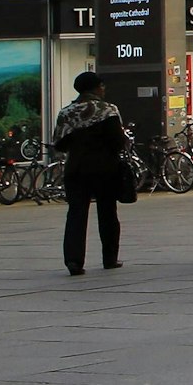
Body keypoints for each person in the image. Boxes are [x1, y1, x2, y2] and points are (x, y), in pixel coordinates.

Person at [52, 70, 126, 276]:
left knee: (76, 213)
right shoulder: (109, 110)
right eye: (102, 86)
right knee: (108, 213)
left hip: (76, 168)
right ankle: (109, 258)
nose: (104, 89)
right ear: (96, 87)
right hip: (105, 168)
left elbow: (59, 142)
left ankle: (74, 260)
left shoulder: (66, 112)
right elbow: (118, 141)